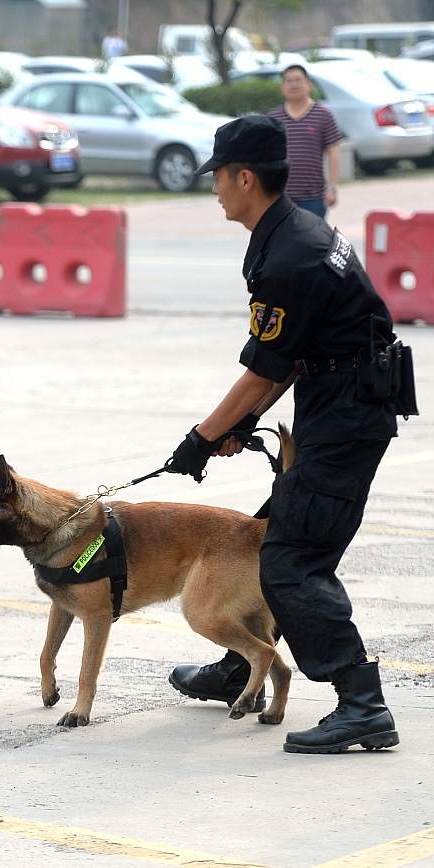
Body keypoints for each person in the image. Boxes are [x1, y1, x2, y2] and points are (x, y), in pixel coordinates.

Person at [163, 115, 405, 754]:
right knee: (275, 533)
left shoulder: (290, 256)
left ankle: (362, 703)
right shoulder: (290, 233)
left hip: (347, 415)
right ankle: (241, 665)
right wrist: (237, 425)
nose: (214, 187)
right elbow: (290, 355)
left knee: (293, 558)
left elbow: (266, 367)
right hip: (338, 400)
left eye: (218, 175)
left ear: (245, 178)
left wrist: (201, 437)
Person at [267, 64, 342, 219]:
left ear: (308, 83)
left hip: (314, 197)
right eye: (289, 81)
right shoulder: (274, 118)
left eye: (298, 80)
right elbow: (267, 155)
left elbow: (333, 151)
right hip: (280, 197)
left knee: (312, 234)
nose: (294, 85)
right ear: (282, 87)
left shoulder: (323, 114)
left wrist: (332, 188)